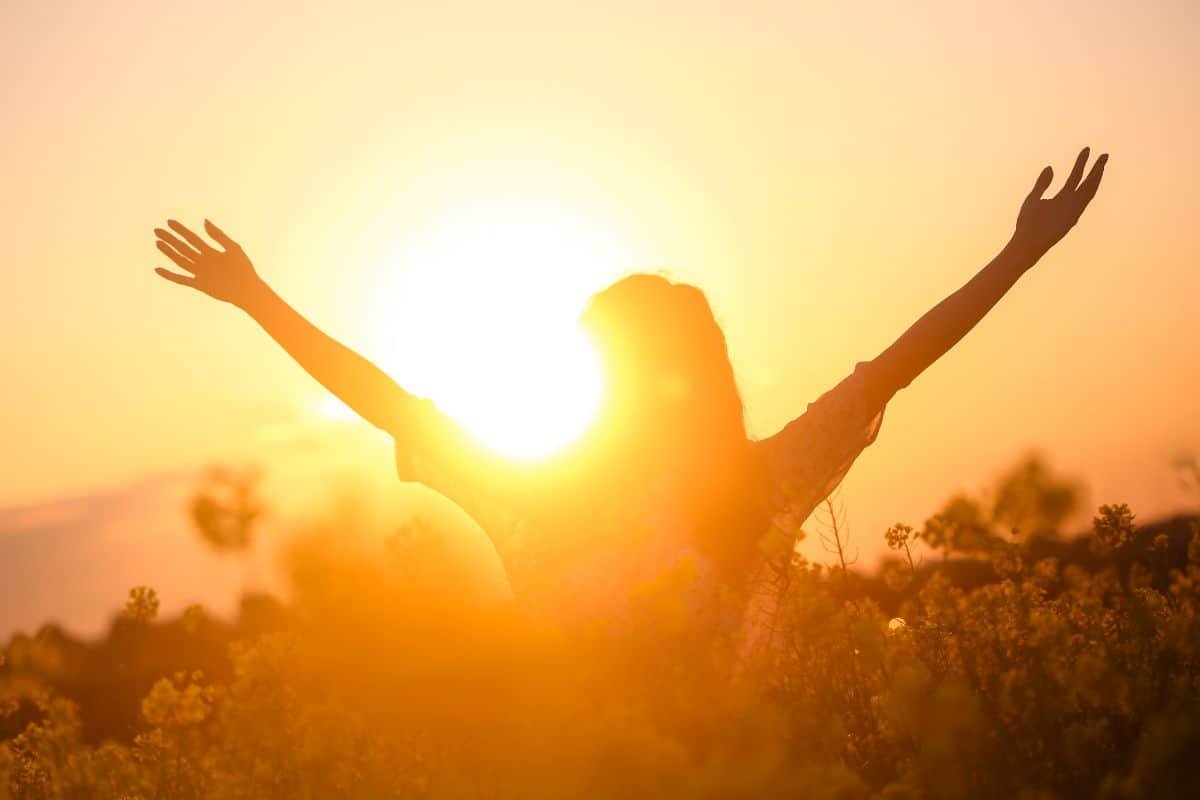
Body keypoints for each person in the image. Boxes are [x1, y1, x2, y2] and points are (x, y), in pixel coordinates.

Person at [153, 148, 1107, 652]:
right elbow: (391, 402)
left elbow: (898, 362)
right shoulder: (739, 488)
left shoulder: (593, 495)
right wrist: (258, 299)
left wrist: (1021, 254)